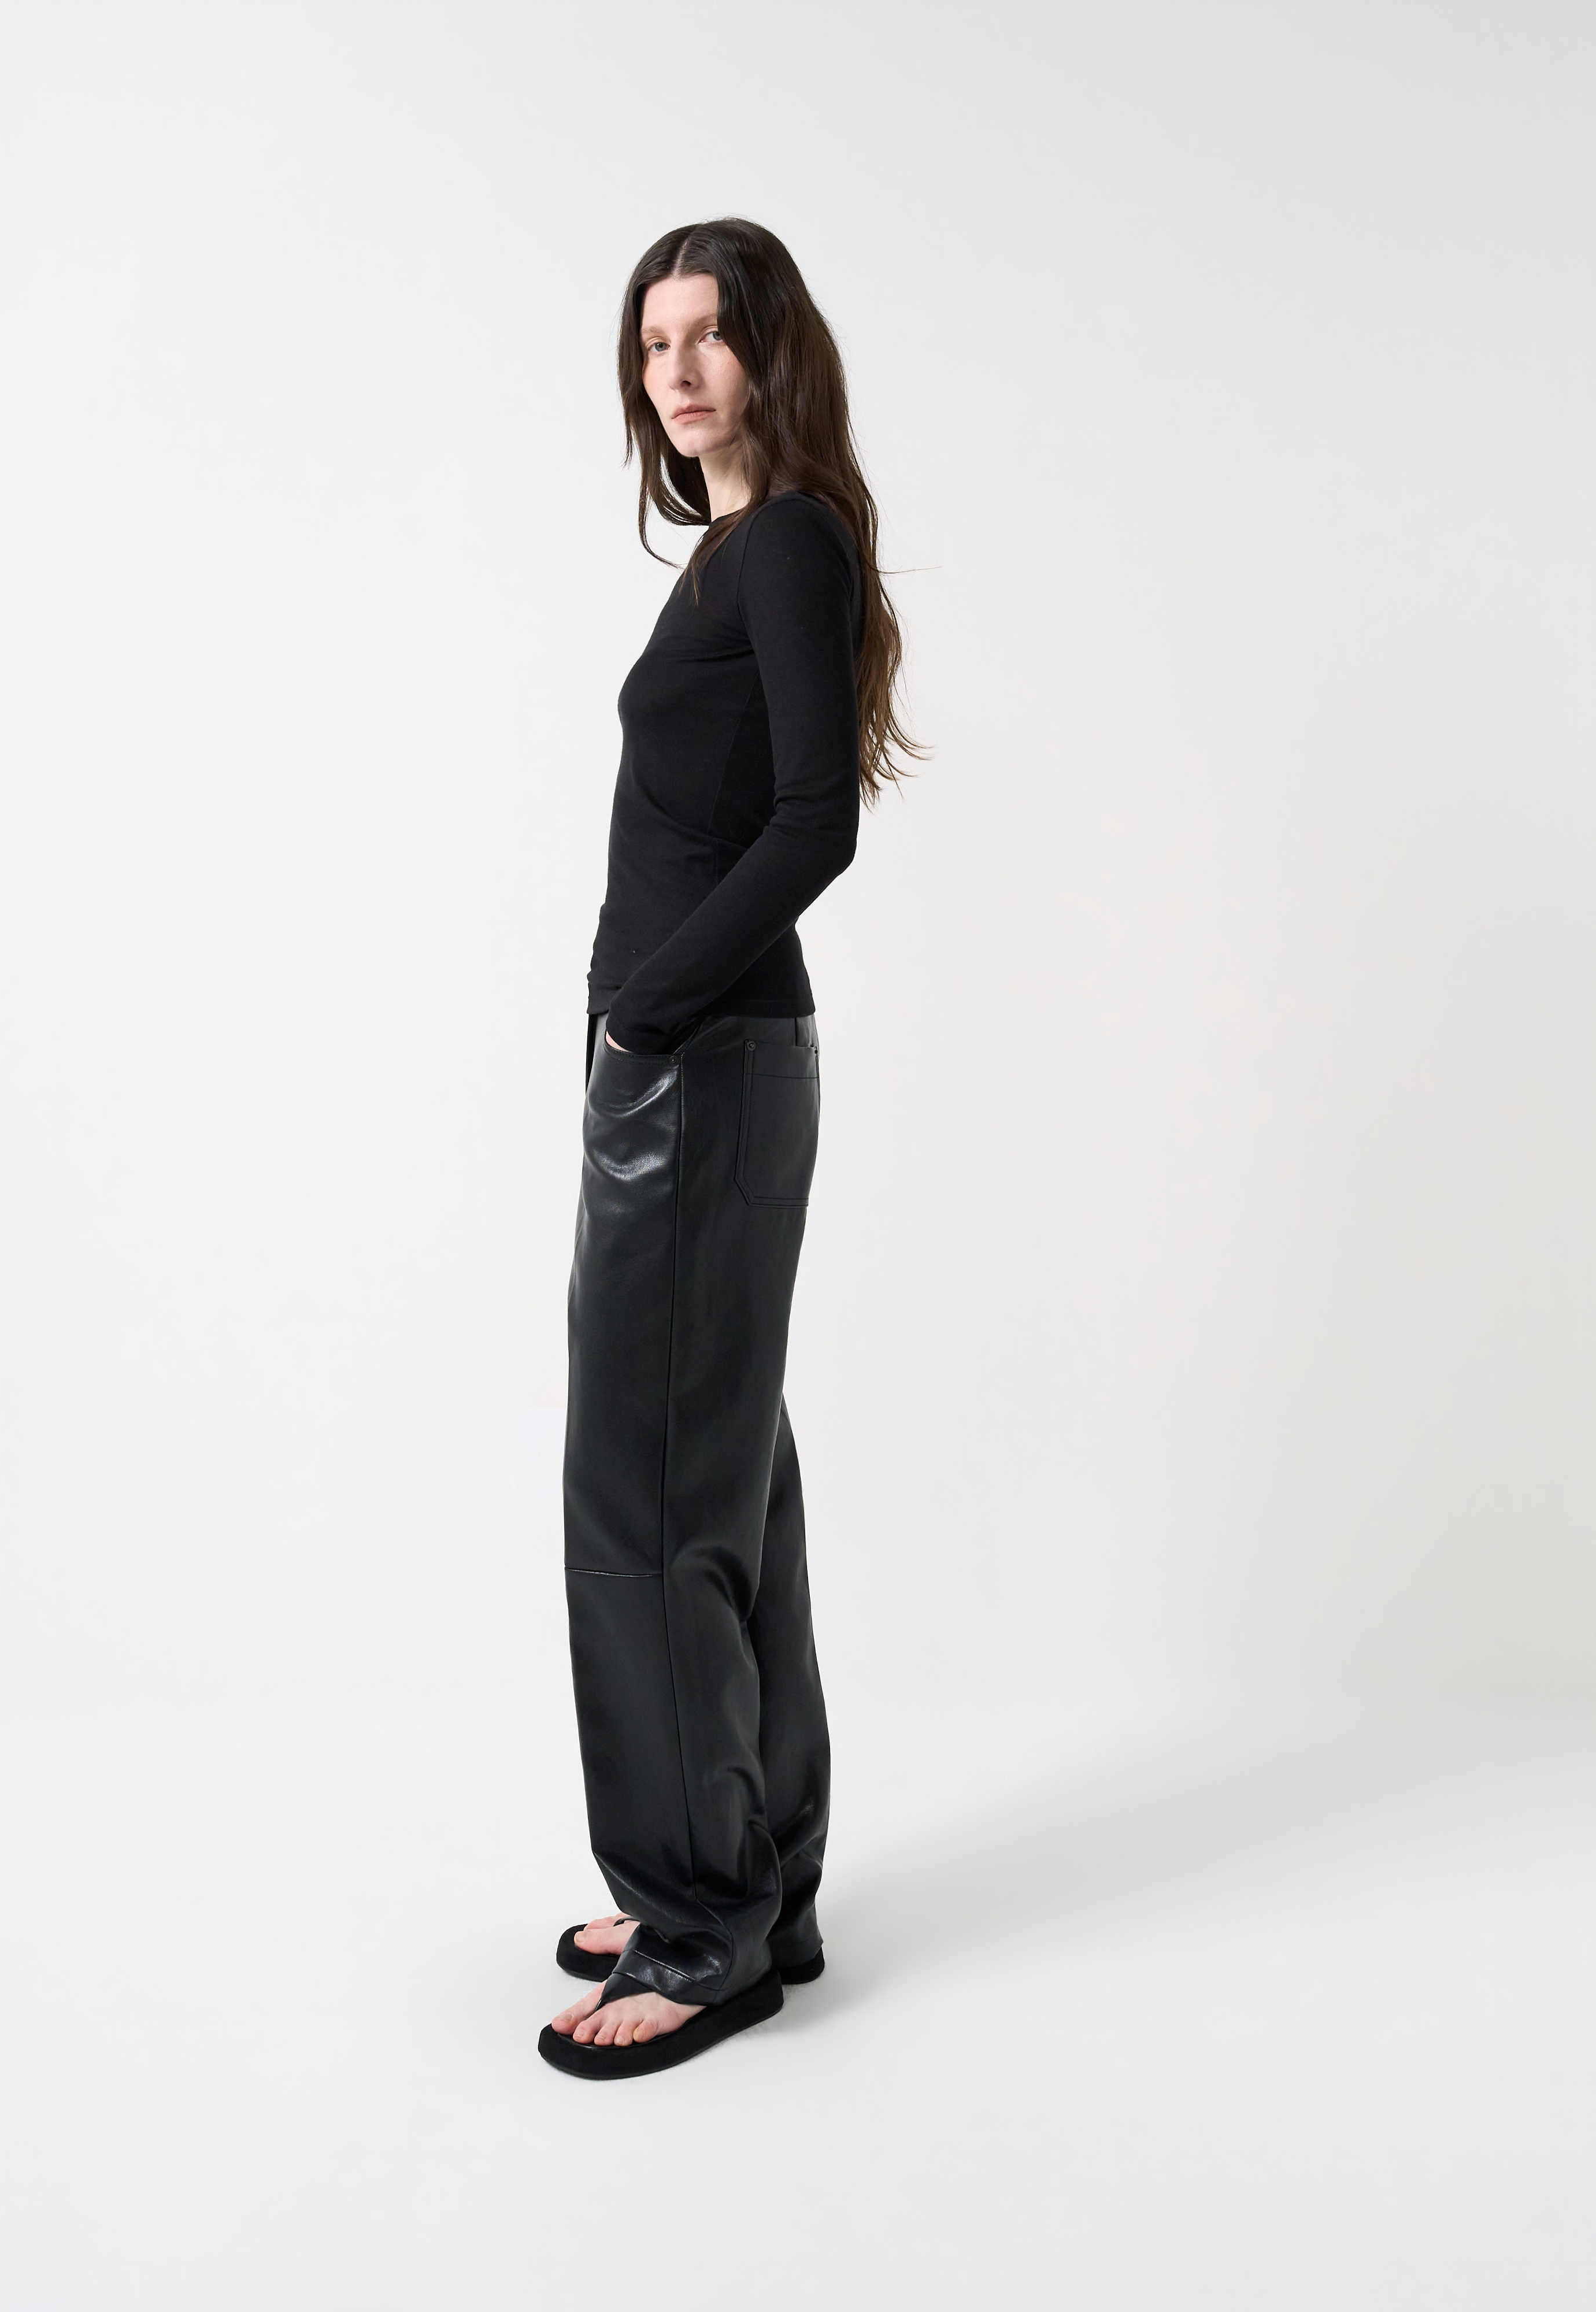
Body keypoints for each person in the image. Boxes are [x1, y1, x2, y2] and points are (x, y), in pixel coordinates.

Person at [537, 218, 919, 2080]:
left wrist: (645, 1014)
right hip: (708, 1062)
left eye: (709, 337)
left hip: (699, 1067)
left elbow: (811, 820)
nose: (676, 372)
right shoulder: (750, 545)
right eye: (653, 342)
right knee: (725, 1481)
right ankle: (758, 1878)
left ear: (772, 352)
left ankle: (703, 1931)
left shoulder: (785, 544)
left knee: (645, 1501)